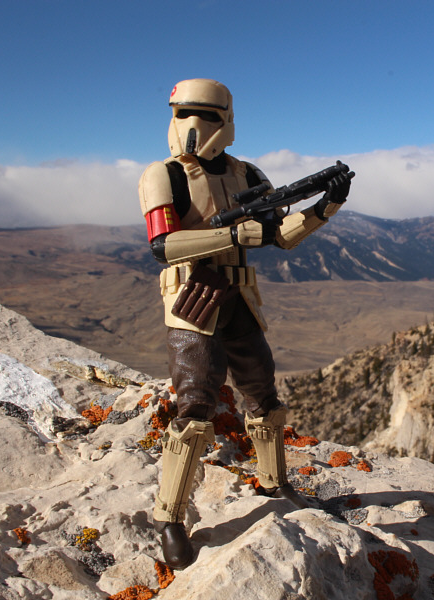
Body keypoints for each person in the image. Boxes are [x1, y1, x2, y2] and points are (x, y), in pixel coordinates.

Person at [138, 78, 351, 568]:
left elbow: (280, 234)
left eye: (205, 115)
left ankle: (275, 483)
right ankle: (169, 517)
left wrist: (324, 207)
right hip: (192, 296)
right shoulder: (163, 175)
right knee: (195, 405)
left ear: (226, 119)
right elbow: (163, 246)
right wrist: (232, 235)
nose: (192, 125)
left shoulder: (248, 174)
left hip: (239, 295)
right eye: (182, 113)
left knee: (262, 391)